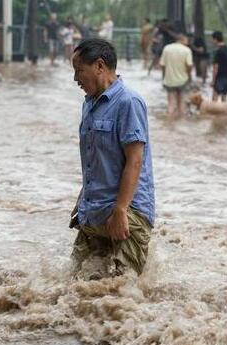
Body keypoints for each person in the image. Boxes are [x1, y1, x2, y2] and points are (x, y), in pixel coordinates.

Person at [70, 38, 155, 279]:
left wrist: (120, 210)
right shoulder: (89, 104)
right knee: (76, 283)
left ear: (99, 66)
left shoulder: (129, 102)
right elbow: (94, 159)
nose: (76, 79)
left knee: (123, 291)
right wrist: (82, 199)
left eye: (79, 71)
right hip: (94, 210)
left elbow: (135, 160)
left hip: (128, 212)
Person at [160, 34, 193, 120]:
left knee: (171, 103)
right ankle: (181, 126)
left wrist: (164, 76)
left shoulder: (167, 48)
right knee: (182, 103)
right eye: (186, 40)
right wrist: (189, 76)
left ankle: (169, 124)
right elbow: (189, 65)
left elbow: (162, 65)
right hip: (183, 80)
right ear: (182, 40)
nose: (187, 42)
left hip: (169, 80)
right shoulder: (187, 50)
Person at [211, 31, 227, 102]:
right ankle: (226, 113)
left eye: (213, 39)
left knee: (214, 99)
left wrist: (213, 81)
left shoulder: (218, 51)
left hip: (220, 77)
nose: (212, 41)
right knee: (224, 99)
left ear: (216, 39)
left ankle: (214, 113)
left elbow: (215, 68)